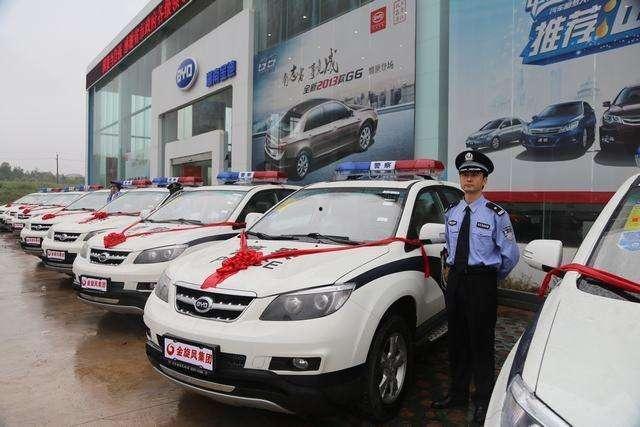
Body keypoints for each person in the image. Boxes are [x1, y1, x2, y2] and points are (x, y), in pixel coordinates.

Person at [432, 150, 520, 424]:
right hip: (457, 281)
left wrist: (490, 278)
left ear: (484, 180)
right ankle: (457, 394)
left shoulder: (496, 214)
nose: (468, 178)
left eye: (474, 174)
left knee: (481, 344)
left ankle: (483, 400)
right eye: (465, 174)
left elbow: (510, 255)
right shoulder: (452, 212)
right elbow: (450, 247)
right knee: (457, 341)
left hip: (482, 282)